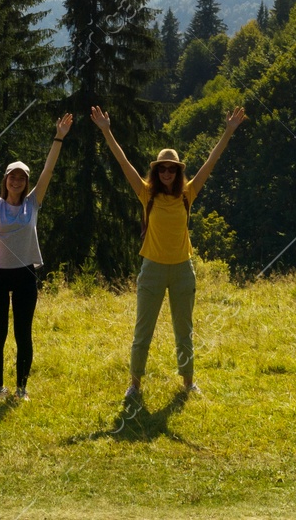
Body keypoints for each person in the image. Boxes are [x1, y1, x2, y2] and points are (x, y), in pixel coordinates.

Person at [92, 103, 245, 402]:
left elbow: (211, 163)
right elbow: (124, 164)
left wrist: (228, 132)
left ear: (178, 172)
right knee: (142, 332)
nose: (165, 172)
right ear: (155, 170)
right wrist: (107, 132)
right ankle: (134, 384)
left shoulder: (188, 192)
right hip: (151, 269)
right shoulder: (146, 192)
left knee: (184, 331)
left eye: (171, 169)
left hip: (182, 270)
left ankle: (188, 383)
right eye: (161, 168)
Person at [0, 112, 72, 401]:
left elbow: (47, 171)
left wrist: (58, 137)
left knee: (23, 334)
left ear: (26, 182)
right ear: (5, 180)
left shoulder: (33, 203)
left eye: (22, 177)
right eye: (12, 177)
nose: (17, 181)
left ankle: (21, 389)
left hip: (25, 275)